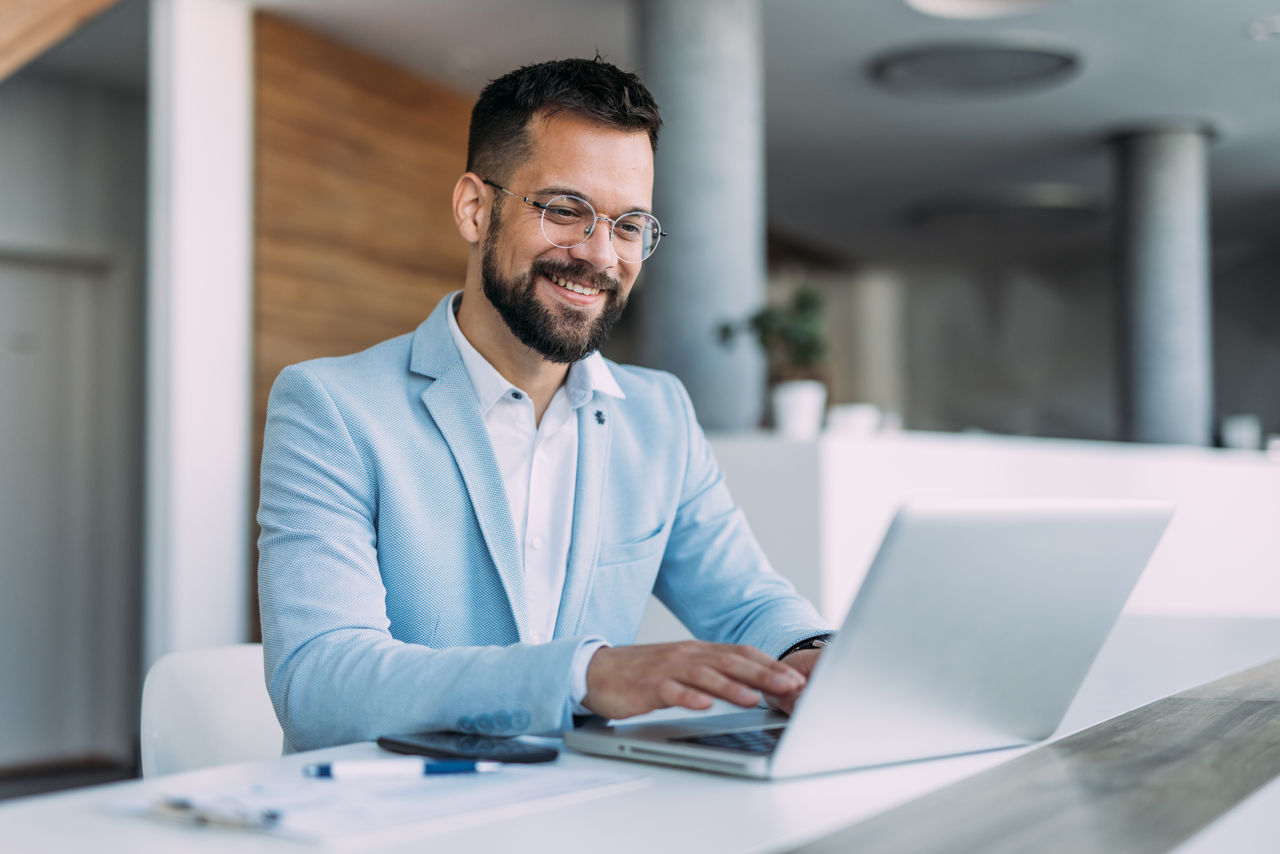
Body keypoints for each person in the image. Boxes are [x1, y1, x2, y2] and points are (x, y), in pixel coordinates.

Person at [257, 57, 831, 752]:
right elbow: (320, 685)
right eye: (566, 209)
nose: (599, 255)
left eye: (629, 225)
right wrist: (583, 675)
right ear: (475, 208)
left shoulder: (659, 416)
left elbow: (747, 603)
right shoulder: (331, 407)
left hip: (583, 808)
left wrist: (812, 654)